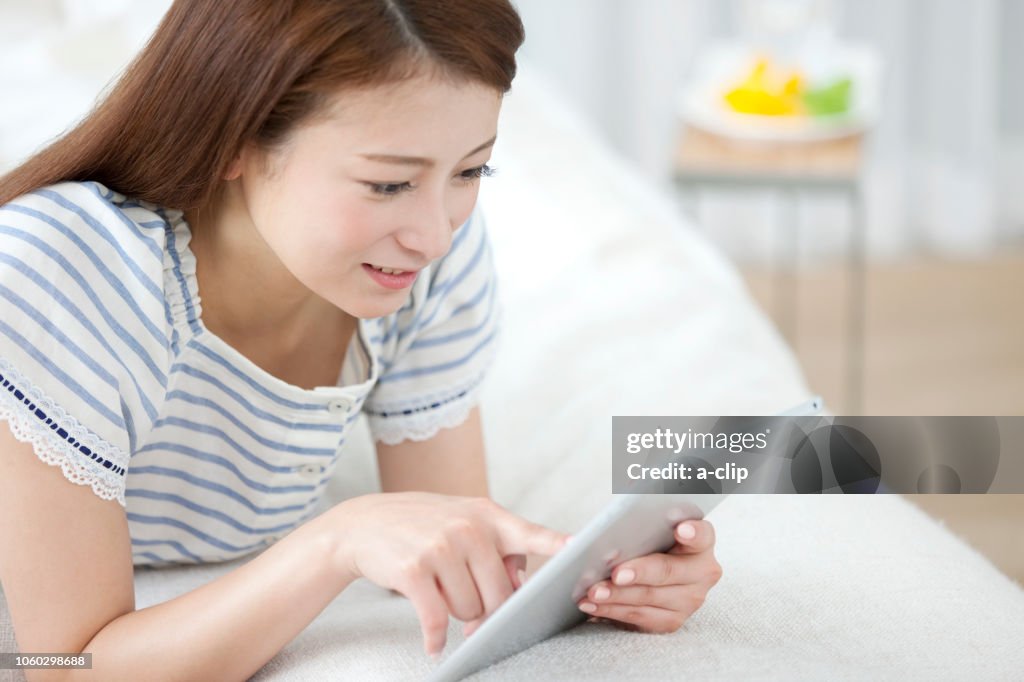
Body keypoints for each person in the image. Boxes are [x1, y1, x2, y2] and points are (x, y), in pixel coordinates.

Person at [0, 1, 721, 678]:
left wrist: (611, 582)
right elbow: (69, 667)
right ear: (233, 143)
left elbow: (451, 534)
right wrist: (336, 541)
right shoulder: (62, 270)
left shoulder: (426, 263)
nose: (435, 233)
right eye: (387, 185)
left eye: (471, 171)